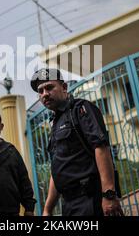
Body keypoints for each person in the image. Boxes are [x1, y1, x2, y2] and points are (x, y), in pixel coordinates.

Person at [31, 68, 123, 216]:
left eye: (49, 87)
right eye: (40, 91)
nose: (45, 94)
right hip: (69, 204)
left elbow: (101, 148)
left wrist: (109, 195)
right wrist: (48, 208)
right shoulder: (54, 123)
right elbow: (57, 168)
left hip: (90, 199)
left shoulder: (81, 109)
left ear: (64, 87)